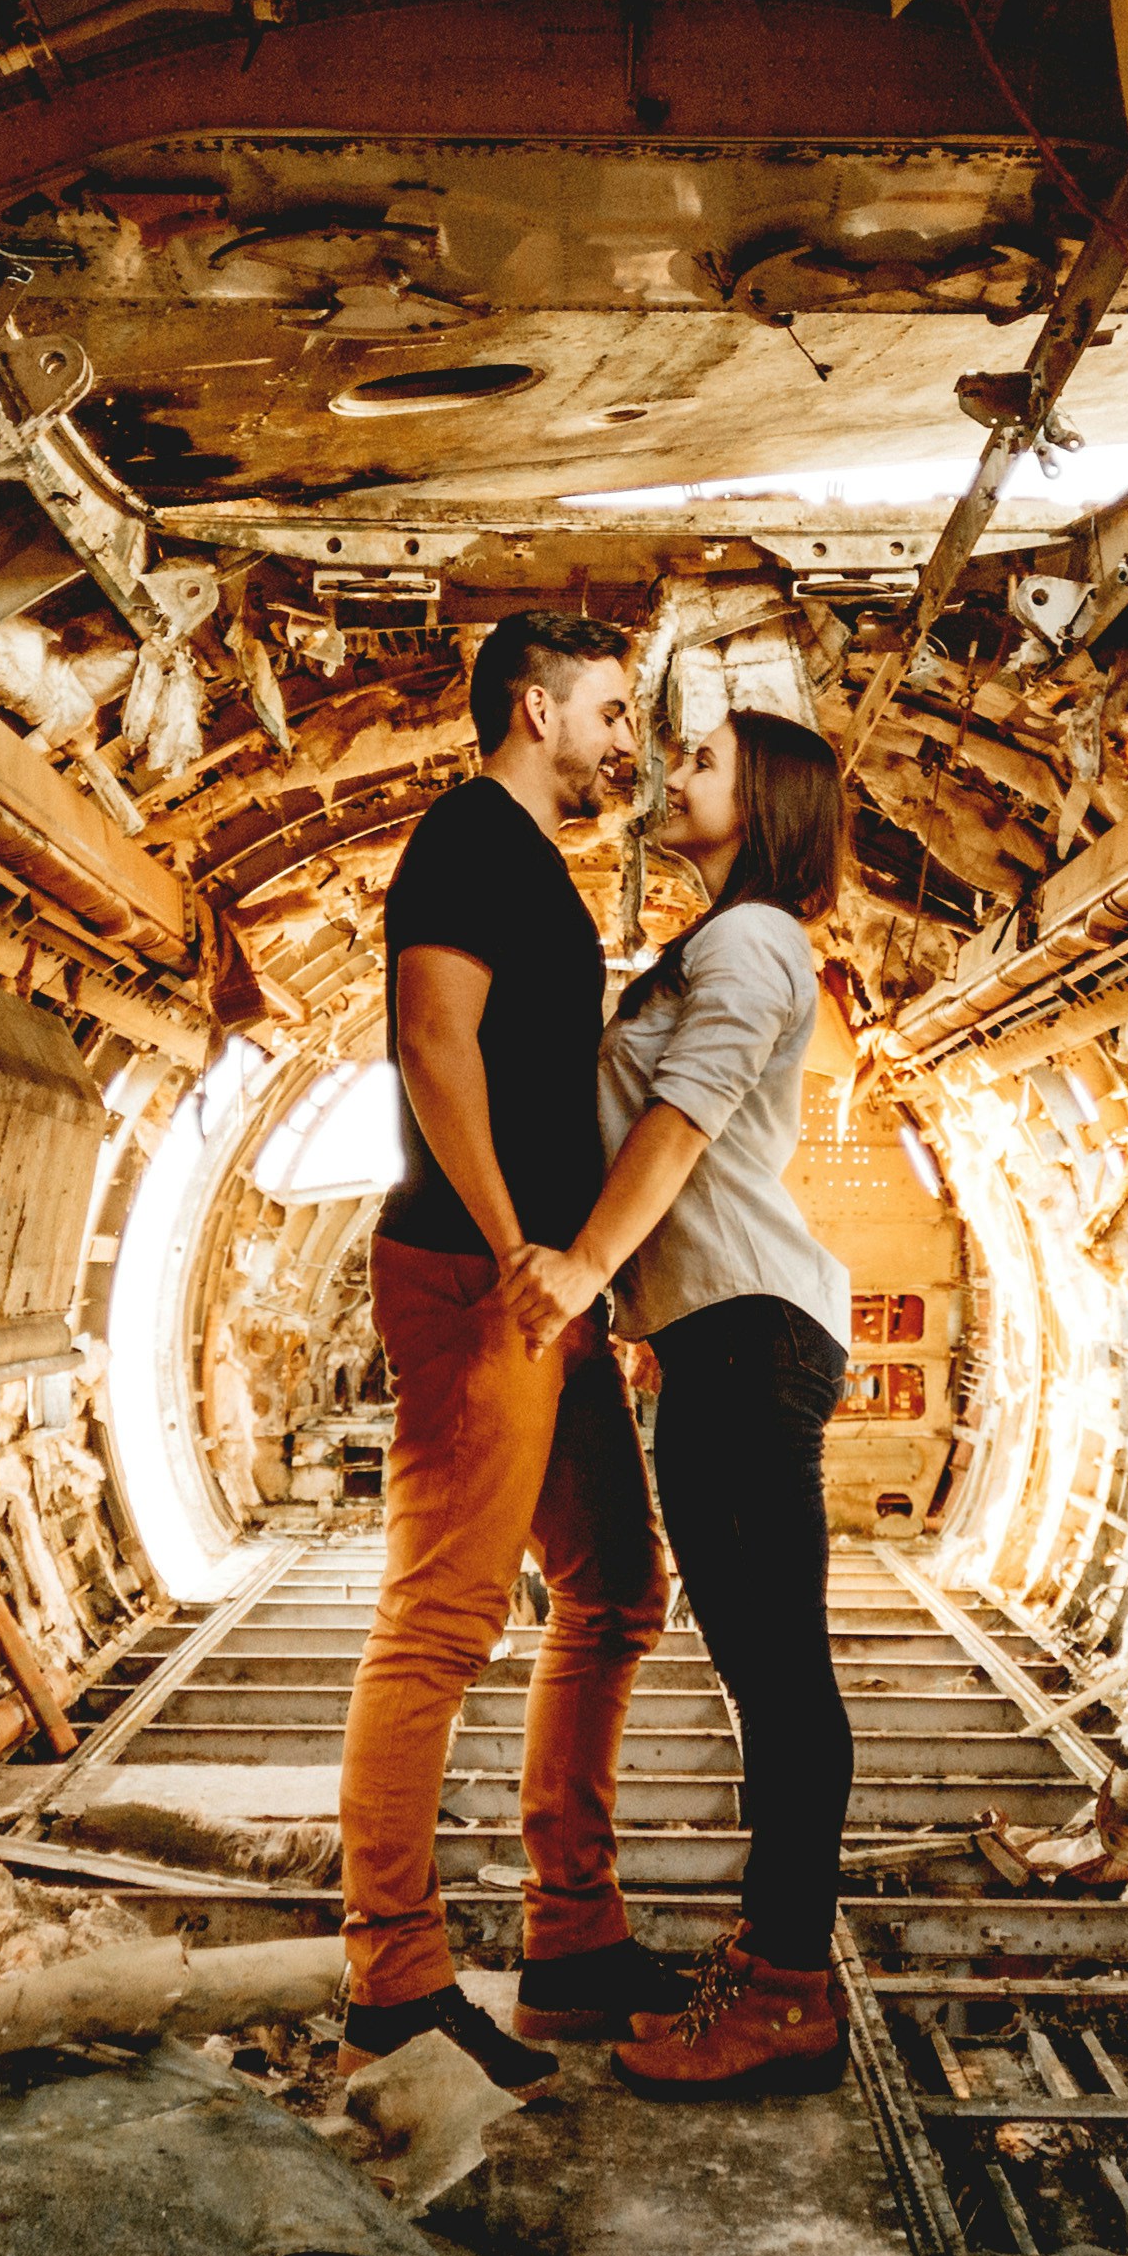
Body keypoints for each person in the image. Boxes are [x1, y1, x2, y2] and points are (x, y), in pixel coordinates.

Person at [336, 611, 700, 2091]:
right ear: (534, 707)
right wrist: (510, 1255)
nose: (629, 741)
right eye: (611, 712)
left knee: (616, 1587)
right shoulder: (469, 841)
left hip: (550, 1290)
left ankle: (570, 1932)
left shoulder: (530, 859)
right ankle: (395, 1972)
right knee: (438, 1619)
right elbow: (433, 1042)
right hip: (483, 1282)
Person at [501, 708, 864, 2098]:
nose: (672, 772)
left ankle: (786, 1995)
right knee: (762, 1670)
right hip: (717, 1336)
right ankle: (774, 1960)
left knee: (779, 1675)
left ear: (764, 801)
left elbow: (685, 1115)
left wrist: (587, 1266)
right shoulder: (722, 941)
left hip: (746, 1333)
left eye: (704, 759)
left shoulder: (754, 938)